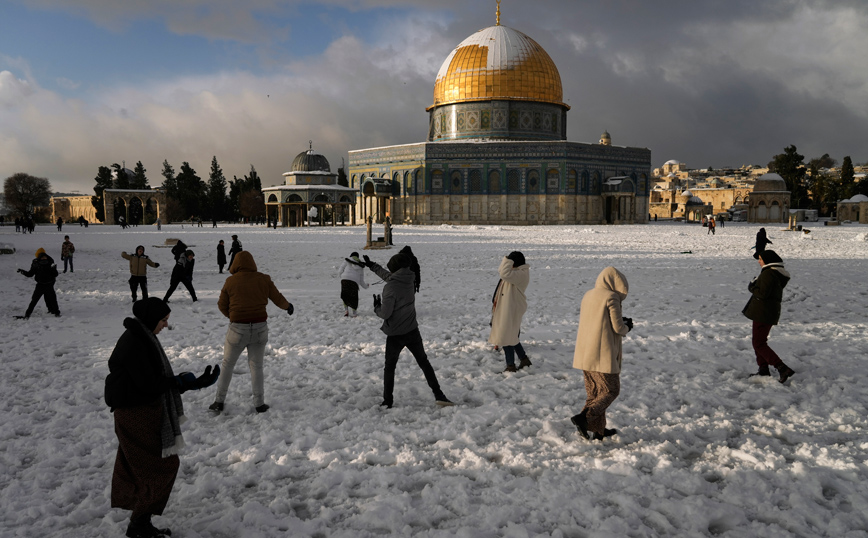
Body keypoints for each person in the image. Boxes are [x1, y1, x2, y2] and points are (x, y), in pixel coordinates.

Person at [104, 298, 219, 538]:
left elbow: (151, 381)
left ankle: (140, 522)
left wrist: (189, 383)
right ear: (151, 319)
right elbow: (149, 384)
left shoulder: (143, 336)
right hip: (135, 413)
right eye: (164, 320)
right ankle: (138, 525)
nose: (166, 325)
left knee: (142, 466)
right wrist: (180, 382)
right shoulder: (136, 342)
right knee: (161, 467)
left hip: (140, 410)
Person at [363, 252, 453, 409]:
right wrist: (372, 266)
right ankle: (439, 395)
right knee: (424, 363)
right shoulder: (409, 279)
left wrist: (377, 307)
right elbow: (390, 277)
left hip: (395, 334)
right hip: (412, 330)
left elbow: (385, 313)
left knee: (390, 367)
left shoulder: (390, 287)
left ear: (396, 268)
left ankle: (387, 401)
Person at [210, 251, 293, 414]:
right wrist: (288, 306)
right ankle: (259, 403)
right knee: (256, 366)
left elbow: (221, 305)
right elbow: (277, 298)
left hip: (237, 329)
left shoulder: (230, 281)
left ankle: (219, 401)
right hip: (260, 328)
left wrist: (232, 316)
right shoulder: (263, 279)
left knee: (227, 364)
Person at [570, 267, 632, 442]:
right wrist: (628, 326)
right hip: (601, 355)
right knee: (611, 390)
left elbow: (599, 320)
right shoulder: (611, 297)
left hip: (585, 353)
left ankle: (598, 431)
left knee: (595, 393)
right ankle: (584, 419)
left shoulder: (588, 295)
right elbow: (618, 328)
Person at [742, 250, 795, 383]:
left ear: (768, 260)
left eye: (760, 259)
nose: (759, 261)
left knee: (758, 343)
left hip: (763, 312)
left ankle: (781, 367)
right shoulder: (776, 273)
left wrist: (752, 286)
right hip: (768, 312)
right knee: (758, 342)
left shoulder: (768, 273)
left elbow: (762, 293)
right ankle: (763, 370)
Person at [489, 252, 532, 373]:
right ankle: (524, 359)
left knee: (506, 338)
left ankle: (510, 366)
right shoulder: (516, 273)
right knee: (511, 336)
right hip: (508, 308)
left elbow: (504, 273)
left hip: (511, 309)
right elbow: (501, 271)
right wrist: (507, 260)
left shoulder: (520, 274)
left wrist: (507, 261)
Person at [17, 248, 61, 319]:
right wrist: (22, 271)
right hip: (43, 284)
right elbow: (30, 274)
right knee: (39, 299)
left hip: (47, 284)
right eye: (42, 257)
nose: (44, 258)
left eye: (45, 257)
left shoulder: (47, 263)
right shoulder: (40, 263)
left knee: (49, 299)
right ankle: (53, 311)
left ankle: (54, 312)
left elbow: (55, 274)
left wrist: (53, 269)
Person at [338, 252, 368, 317]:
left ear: (351, 256)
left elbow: (340, 270)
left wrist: (341, 276)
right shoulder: (360, 266)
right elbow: (361, 281)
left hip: (344, 280)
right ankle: (354, 313)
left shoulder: (346, 260)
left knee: (345, 295)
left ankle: (346, 311)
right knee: (354, 297)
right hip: (354, 282)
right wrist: (366, 286)